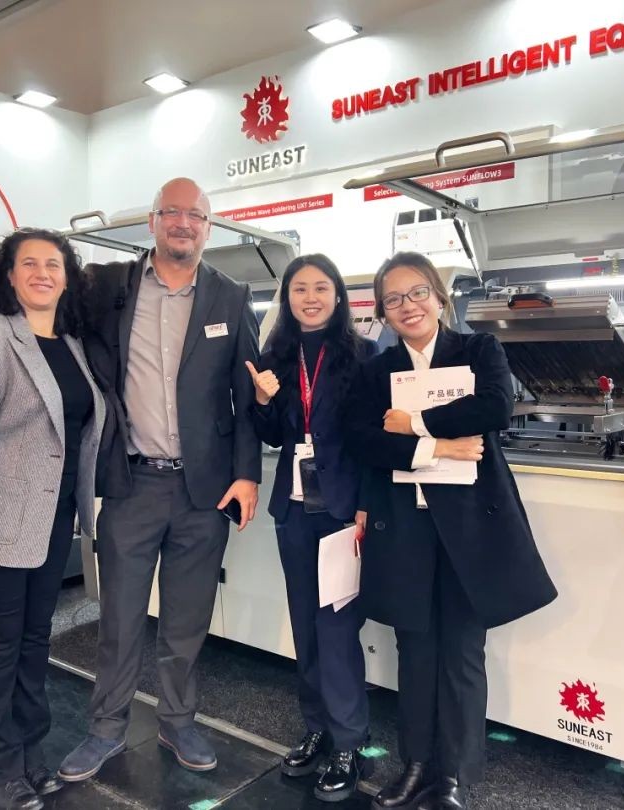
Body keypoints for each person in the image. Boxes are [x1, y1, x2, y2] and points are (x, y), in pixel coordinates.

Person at [58, 177, 262, 780]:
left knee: (186, 618)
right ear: (152, 221)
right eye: (172, 212)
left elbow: (246, 395)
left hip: (205, 491)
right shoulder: (108, 286)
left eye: (195, 215)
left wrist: (247, 474)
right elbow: (47, 312)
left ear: (208, 227)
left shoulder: (231, 296)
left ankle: (177, 721)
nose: (183, 223)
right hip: (132, 483)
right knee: (119, 618)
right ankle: (106, 728)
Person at [345, 251, 557, 810]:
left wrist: (413, 423)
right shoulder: (375, 372)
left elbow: (495, 407)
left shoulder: (478, 350)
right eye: (393, 299)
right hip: (404, 526)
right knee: (414, 649)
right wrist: (436, 447)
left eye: (418, 292)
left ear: (438, 298)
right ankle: (416, 765)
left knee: (462, 650)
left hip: (468, 527)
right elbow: (362, 439)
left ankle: (456, 777)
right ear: (383, 313)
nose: (408, 306)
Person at [0, 229, 107, 810]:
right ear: (8, 275)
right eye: (29, 263)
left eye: (53, 264)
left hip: (51, 522)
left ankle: (29, 753)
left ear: (67, 276)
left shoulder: (72, 344)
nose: (42, 273)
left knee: (33, 642)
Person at [245, 254, 377, 802]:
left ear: (338, 295)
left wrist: (366, 503)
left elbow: (373, 437)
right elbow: (271, 434)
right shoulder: (274, 356)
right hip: (295, 511)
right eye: (300, 289)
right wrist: (262, 400)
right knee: (305, 624)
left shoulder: (364, 355)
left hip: (343, 510)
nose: (311, 297)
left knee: (337, 628)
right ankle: (317, 727)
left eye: (321, 287)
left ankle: (349, 741)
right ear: (287, 298)